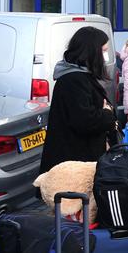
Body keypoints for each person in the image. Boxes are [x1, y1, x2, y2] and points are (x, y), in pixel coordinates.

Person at [41, 27, 117, 174]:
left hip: (79, 160)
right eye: (104, 51)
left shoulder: (81, 76)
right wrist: (107, 113)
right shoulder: (74, 80)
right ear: (91, 51)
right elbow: (85, 120)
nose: (106, 56)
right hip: (74, 164)